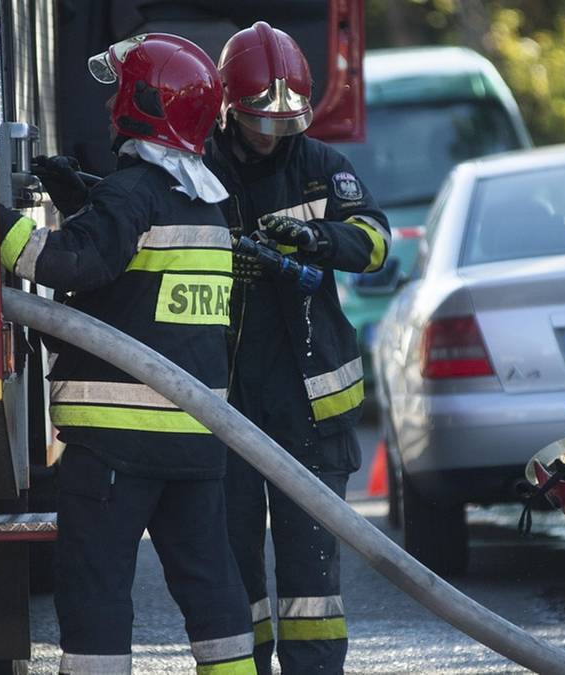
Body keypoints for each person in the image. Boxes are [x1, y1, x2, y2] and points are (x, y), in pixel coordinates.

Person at [0, 33, 254, 675]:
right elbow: (142, 283)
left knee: (96, 590)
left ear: (139, 104)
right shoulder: (208, 204)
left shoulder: (132, 194)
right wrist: (84, 197)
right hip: (195, 440)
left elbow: (74, 262)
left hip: (117, 442)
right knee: (212, 586)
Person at [204, 22, 390, 674]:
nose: (273, 132)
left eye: (285, 119)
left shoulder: (320, 168)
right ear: (229, 105)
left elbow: (374, 241)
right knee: (234, 569)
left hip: (310, 412)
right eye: (260, 119)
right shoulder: (199, 169)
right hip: (224, 406)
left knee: (312, 575)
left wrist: (317, 242)